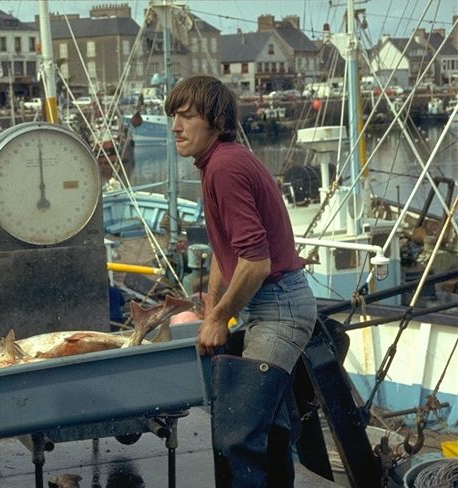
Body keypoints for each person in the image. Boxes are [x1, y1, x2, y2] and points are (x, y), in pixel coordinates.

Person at [165, 75, 316, 487]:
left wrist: (220, 318)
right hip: (272, 303)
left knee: (239, 437)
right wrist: (212, 311)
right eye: (172, 116)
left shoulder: (225, 167)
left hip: (278, 307)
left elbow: (255, 263)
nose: (175, 126)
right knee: (268, 431)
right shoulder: (218, 162)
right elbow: (225, 251)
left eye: (186, 116)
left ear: (215, 119)